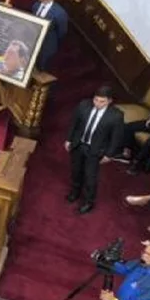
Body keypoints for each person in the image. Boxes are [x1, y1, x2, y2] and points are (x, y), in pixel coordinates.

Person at [65, 85, 124, 214]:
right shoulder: (83, 105)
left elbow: (116, 137)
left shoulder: (116, 115)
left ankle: (88, 202)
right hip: (79, 144)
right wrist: (69, 139)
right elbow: (74, 123)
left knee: (90, 177)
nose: (97, 103)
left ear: (109, 101)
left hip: (96, 150)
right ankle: (75, 192)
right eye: (95, 100)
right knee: (76, 171)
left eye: (102, 101)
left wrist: (109, 155)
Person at [32, 0, 68, 70]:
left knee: (42, 68)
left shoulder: (60, 13)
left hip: (47, 46)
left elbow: (62, 32)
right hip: (33, 40)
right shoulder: (36, 5)